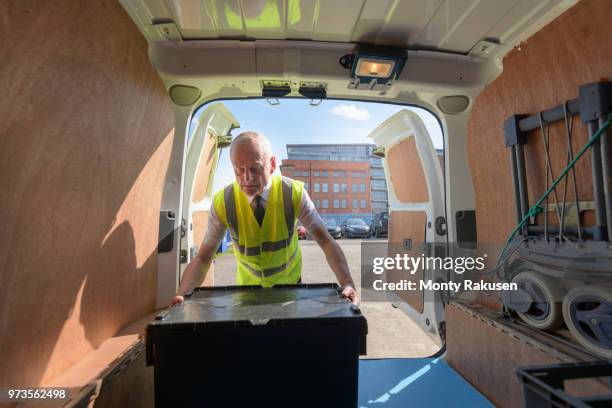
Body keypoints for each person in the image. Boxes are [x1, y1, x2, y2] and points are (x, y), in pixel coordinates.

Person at [171, 131, 358, 305]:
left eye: (255, 169)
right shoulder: (223, 201)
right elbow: (203, 257)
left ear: (273, 165)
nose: (247, 178)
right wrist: (182, 294)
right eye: (239, 169)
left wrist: (347, 283)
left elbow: (326, 241)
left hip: (290, 287)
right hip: (247, 291)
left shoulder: (294, 193)